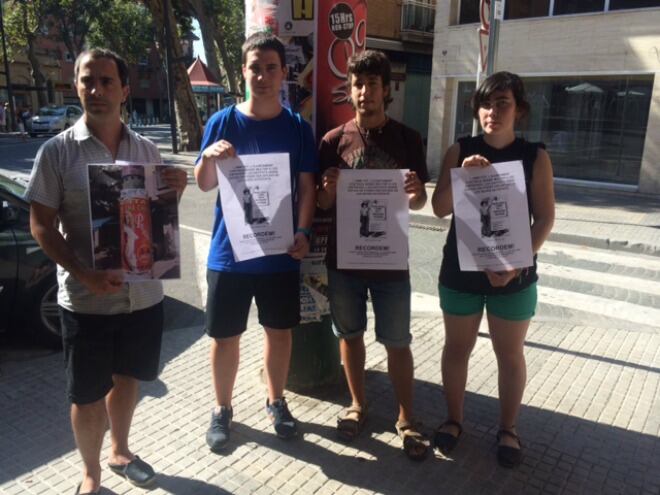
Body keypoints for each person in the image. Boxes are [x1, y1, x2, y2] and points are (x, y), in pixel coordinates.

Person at [25, 48, 187, 495]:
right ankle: (91, 475)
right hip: (87, 300)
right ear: (75, 85)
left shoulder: (148, 149)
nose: (95, 90)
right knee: (86, 394)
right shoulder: (56, 153)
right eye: (87, 80)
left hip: (143, 296)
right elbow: (39, 224)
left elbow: (156, 218)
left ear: (125, 91)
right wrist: (83, 273)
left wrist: (177, 187)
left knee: (129, 377)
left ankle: (120, 449)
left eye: (106, 81)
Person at [194, 32, 317, 452]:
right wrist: (210, 158)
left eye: (270, 68)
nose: (262, 76)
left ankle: (276, 400)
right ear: (243, 72)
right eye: (254, 68)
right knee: (224, 337)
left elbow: (307, 188)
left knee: (278, 334)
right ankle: (222, 409)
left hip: (279, 254)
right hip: (230, 256)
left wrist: (302, 232)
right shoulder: (222, 122)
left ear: (283, 73)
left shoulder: (299, 128)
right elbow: (203, 184)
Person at [430, 71, 555, 468]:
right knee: (456, 348)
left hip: (514, 275)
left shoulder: (534, 155)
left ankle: (508, 428)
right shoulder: (460, 149)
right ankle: (454, 420)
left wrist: (518, 265)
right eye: (486, 103)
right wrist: (462, 175)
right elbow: (439, 208)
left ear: (519, 109)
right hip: (461, 270)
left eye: (503, 103)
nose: (493, 111)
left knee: (510, 354)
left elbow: (545, 219)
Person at [317, 50, 430, 461]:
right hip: (344, 261)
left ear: (387, 89)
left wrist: (417, 195)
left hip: (390, 260)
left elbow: (416, 203)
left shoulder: (408, 139)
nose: (366, 92)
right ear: (350, 90)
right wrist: (327, 190)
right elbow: (323, 205)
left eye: (373, 84)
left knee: (397, 341)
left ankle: (406, 419)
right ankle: (358, 405)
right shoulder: (333, 141)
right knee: (351, 337)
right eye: (358, 84)